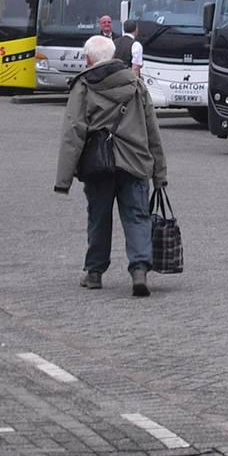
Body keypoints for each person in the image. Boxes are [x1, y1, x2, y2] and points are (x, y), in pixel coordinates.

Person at [54, 34, 168, 297]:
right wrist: (159, 172)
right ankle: (139, 269)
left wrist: (64, 179)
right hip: (136, 161)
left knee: (99, 218)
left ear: (88, 58)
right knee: (137, 216)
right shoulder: (136, 84)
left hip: (98, 164)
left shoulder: (83, 85)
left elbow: (73, 131)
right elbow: (153, 130)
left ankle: (94, 272)